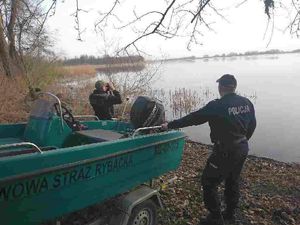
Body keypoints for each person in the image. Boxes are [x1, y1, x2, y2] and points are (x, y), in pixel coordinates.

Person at [161, 74, 256, 225]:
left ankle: (216, 217)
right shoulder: (247, 102)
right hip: (242, 147)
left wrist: (169, 125)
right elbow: (252, 126)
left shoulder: (217, 105)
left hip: (225, 151)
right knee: (233, 180)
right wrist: (241, 142)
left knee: (209, 181)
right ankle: (230, 214)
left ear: (221, 88)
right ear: (234, 87)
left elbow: (193, 118)